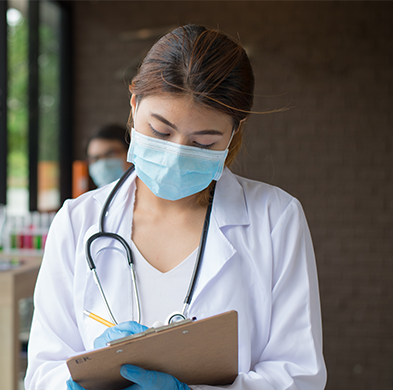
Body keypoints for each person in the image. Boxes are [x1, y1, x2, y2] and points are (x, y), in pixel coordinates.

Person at [25, 25, 326, 390]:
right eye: (161, 132)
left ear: (233, 133)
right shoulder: (77, 222)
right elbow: (44, 371)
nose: (177, 154)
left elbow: (300, 375)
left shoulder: (275, 220)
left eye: (202, 142)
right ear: (134, 103)